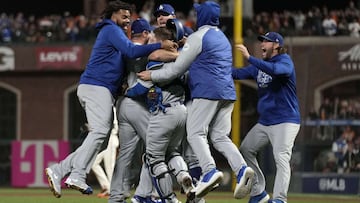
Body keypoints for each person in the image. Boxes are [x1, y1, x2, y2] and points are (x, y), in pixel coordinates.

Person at [44, 0, 177, 198]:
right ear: (113, 15)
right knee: (100, 132)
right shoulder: (110, 29)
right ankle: (77, 175)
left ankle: (60, 171)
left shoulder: (115, 33)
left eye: (128, 18)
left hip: (99, 89)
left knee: (101, 139)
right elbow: (132, 51)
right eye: (123, 16)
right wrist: (162, 44)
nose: (126, 20)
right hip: (96, 86)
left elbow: (125, 59)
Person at [137, 1, 254, 200]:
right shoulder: (223, 38)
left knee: (195, 133)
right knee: (219, 137)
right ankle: (242, 168)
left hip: (207, 91)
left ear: (203, 17)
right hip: (227, 93)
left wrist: (152, 76)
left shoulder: (198, 36)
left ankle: (209, 171)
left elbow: (176, 69)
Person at [232, 32, 301, 203]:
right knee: (246, 149)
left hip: (286, 120)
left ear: (276, 46)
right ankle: (258, 192)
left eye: (266, 41)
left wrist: (250, 58)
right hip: (265, 122)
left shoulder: (285, 61)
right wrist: (212, 67)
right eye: (262, 41)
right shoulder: (260, 66)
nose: (262, 44)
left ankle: (279, 199)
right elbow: (237, 74)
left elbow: (277, 71)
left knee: (281, 157)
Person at [128, 25, 193, 203]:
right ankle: (183, 175)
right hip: (181, 111)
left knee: (154, 159)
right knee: (172, 152)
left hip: (163, 112)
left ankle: (169, 198)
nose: (150, 42)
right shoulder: (181, 62)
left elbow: (141, 88)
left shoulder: (157, 60)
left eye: (152, 40)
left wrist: (125, 92)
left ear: (158, 41)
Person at [108, 17, 155, 203]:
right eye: (149, 32)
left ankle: (117, 194)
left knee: (126, 153)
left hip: (122, 105)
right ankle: (147, 194)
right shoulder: (146, 52)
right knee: (157, 148)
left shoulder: (122, 51)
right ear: (144, 33)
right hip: (139, 104)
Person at [92, 108, 119, 198]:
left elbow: (112, 125)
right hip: (103, 139)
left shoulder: (111, 108)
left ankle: (113, 191)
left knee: (110, 167)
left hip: (110, 138)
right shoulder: (102, 107)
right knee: (93, 163)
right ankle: (107, 187)